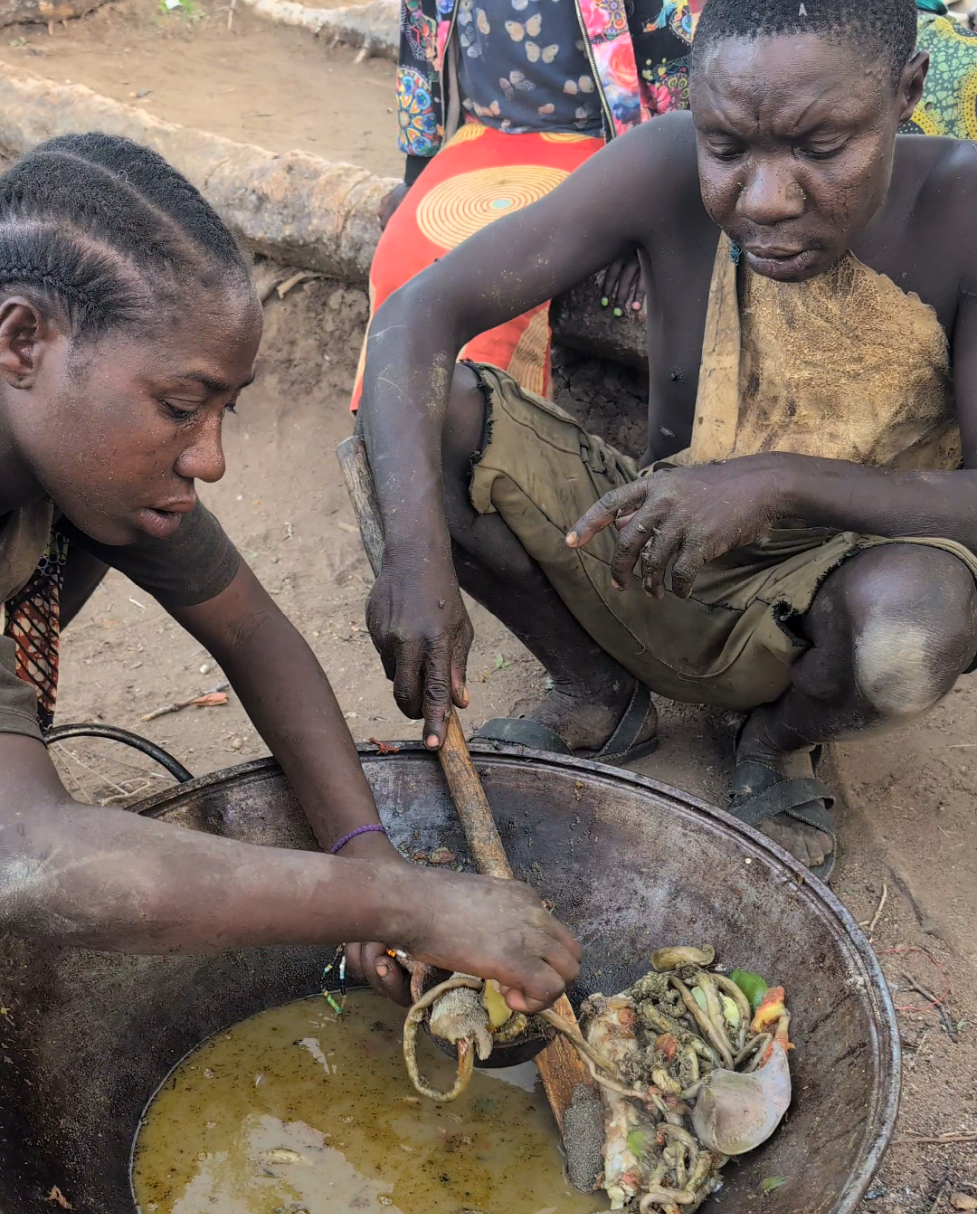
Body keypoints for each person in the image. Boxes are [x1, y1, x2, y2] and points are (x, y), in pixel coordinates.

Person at [356, 0, 977, 884]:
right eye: (726, 149)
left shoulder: (963, 208)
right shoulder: (657, 163)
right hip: (655, 545)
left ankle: (777, 743)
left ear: (905, 92)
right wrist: (414, 555)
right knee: (430, 416)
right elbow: (415, 315)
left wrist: (776, 482)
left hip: (844, 583)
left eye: (820, 147)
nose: (763, 198)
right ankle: (596, 692)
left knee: (916, 622)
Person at [0, 132, 579, 1013]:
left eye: (225, 409)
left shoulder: (83, 465)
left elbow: (250, 629)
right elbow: (33, 859)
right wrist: (410, 903)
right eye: (182, 406)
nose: (213, 459)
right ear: (22, 341)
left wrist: (364, 851)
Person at [349, 0, 703, 409]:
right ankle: (391, 443)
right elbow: (420, 27)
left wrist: (652, 215)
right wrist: (416, 172)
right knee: (395, 273)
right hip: (482, 133)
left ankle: (493, 455)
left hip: (599, 142)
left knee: (498, 296)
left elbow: (672, 60)